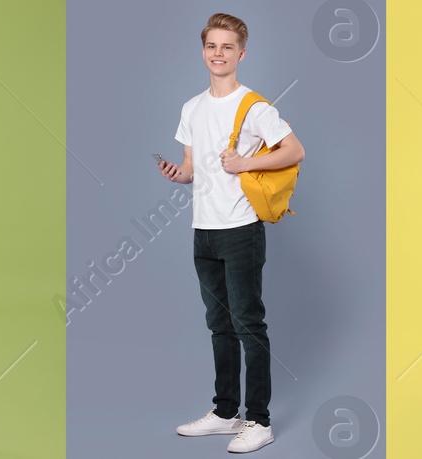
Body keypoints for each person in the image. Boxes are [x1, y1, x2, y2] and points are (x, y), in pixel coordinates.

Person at [158, 12, 305, 454]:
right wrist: (177, 174)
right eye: (211, 46)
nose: (218, 54)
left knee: (248, 324)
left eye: (227, 47)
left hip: (241, 229)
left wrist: (245, 164)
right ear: (203, 51)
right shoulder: (191, 107)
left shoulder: (254, 106)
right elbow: (191, 169)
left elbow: (295, 150)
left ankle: (259, 421)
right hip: (203, 229)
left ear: (241, 53)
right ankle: (226, 412)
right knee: (218, 325)